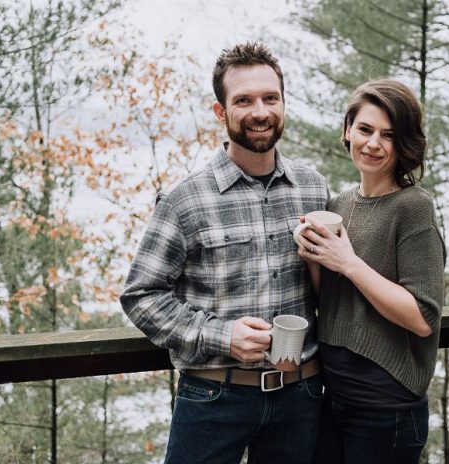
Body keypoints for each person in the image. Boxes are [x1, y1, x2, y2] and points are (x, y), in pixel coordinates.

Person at [120, 42, 329, 464]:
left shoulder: (313, 188)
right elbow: (141, 296)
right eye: (244, 100)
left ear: (283, 104)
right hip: (213, 395)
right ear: (221, 112)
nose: (260, 111)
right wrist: (222, 335)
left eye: (271, 98)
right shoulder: (185, 201)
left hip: (301, 396)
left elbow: (334, 287)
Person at [295, 79, 446, 464]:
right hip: (333, 396)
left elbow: (422, 317)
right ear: (348, 131)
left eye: (388, 135)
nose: (373, 144)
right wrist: (314, 256)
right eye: (365, 130)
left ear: (404, 144)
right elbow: (331, 299)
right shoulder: (339, 205)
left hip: (386, 410)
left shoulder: (413, 207)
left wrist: (348, 262)